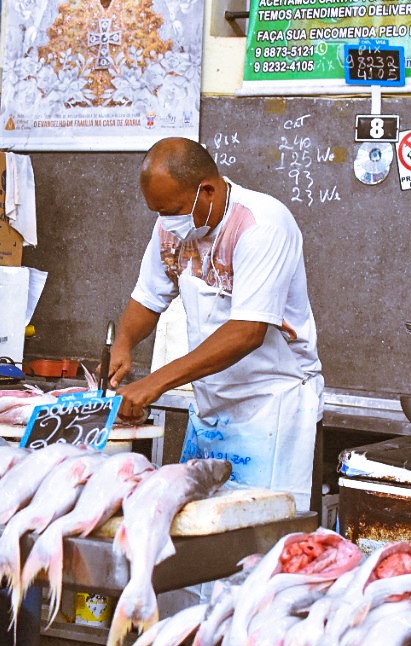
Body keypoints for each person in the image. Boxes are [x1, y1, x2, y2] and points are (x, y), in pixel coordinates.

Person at [108, 137, 323, 511]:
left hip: (272, 409)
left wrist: (154, 382)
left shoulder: (261, 225)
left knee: (262, 531)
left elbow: (247, 332)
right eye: (158, 212)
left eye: (173, 209)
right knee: (202, 528)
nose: (165, 221)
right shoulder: (173, 229)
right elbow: (147, 298)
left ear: (206, 190)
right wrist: (123, 344)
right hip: (212, 408)